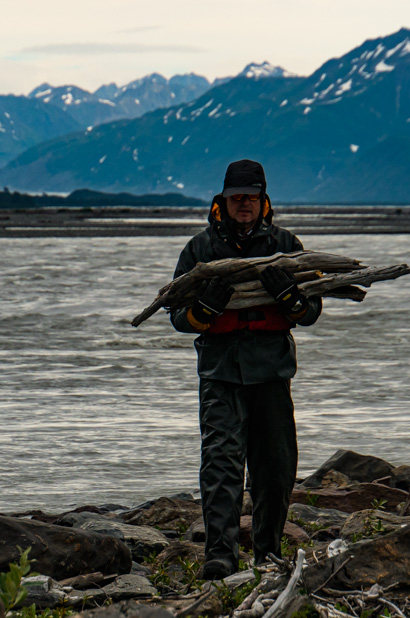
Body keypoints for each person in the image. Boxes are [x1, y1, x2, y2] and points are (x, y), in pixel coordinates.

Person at [169, 159, 321, 580]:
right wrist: (202, 311)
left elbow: (310, 313)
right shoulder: (199, 251)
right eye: (237, 198)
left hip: (272, 375)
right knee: (220, 466)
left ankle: (269, 555)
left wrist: (291, 297)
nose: (245, 206)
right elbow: (176, 316)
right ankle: (220, 556)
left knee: (275, 469)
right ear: (223, 200)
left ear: (263, 200)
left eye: (251, 198)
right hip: (220, 376)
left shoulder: (288, 246)